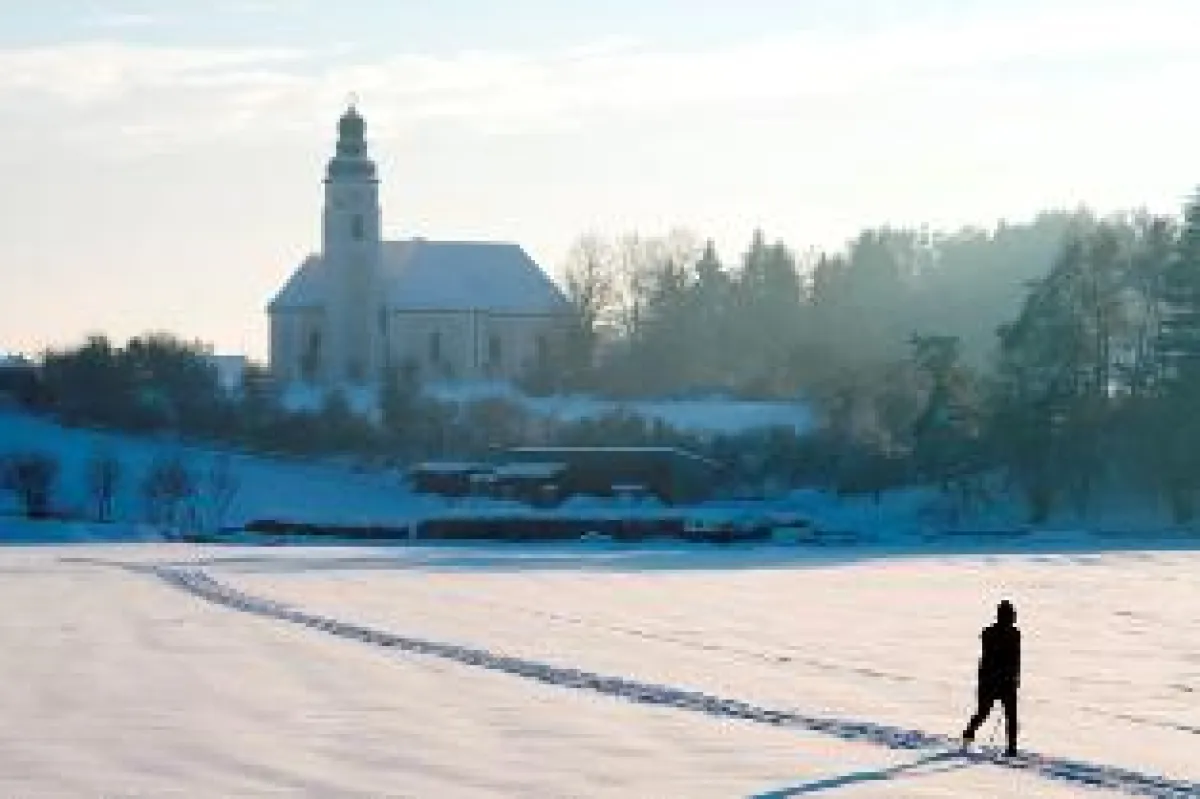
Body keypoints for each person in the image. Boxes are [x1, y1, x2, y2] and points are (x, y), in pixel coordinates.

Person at [962, 599, 1021, 756]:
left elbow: (1016, 658)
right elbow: (989, 658)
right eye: (1010, 615)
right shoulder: (989, 633)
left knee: (1012, 716)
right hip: (990, 681)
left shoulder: (1015, 634)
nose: (1013, 618)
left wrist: (1016, 677)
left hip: (1007, 681)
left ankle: (1012, 749)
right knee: (983, 712)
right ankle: (968, 734)